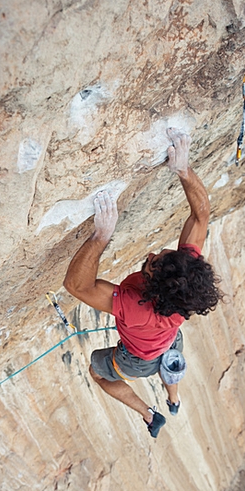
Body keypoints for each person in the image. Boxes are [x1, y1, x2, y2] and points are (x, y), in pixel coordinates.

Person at [63, 128, 222, 438]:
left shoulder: (134, 306)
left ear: (150, 288)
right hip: (170, 342)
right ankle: (173, 398)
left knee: (98, 374)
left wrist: (100, 237)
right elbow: (201, 214)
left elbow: (77, 286)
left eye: (151, 263)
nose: (151, 254)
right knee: (170, 356)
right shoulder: (183, 283)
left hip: (137, 361)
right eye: (160, 255)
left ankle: (150, 414)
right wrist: (183, 169)